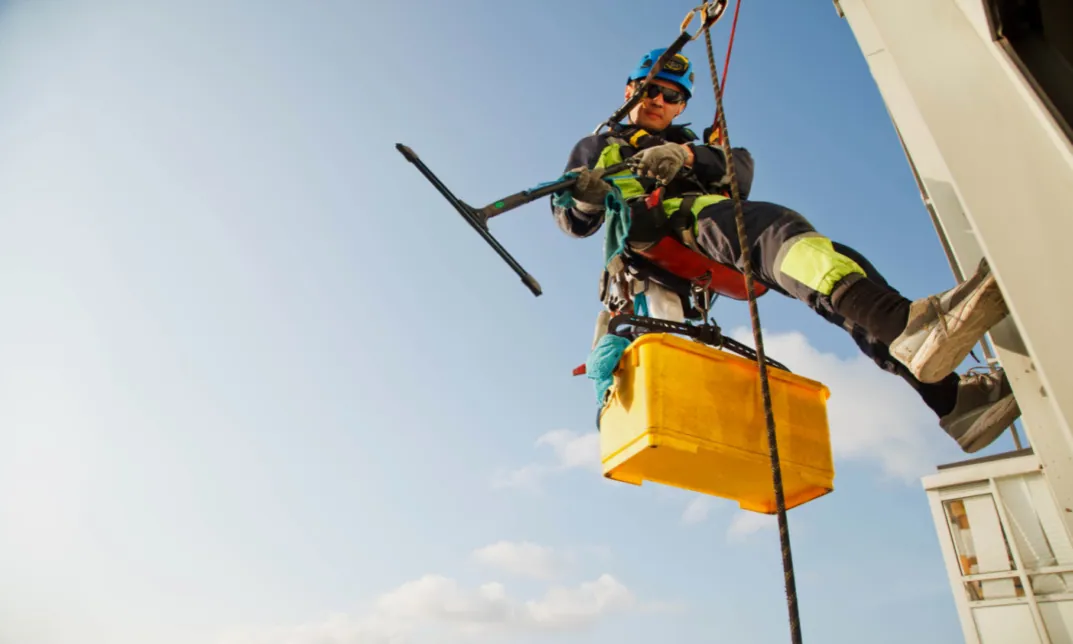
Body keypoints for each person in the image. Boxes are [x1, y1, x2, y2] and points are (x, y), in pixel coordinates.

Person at [551, 47, 1020, 454]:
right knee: (772, 229)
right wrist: (587, 196)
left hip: (707, 248)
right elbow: (574, 220)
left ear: (681, 107)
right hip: (656, 230)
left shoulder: (697, 147)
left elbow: (740, 171)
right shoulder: (602, 145)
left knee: (837, 267)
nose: (658, 100)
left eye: (672, 95)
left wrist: (689, 156)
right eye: (651, 89)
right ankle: (905, 325)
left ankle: (951, 400)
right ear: (632, 87)